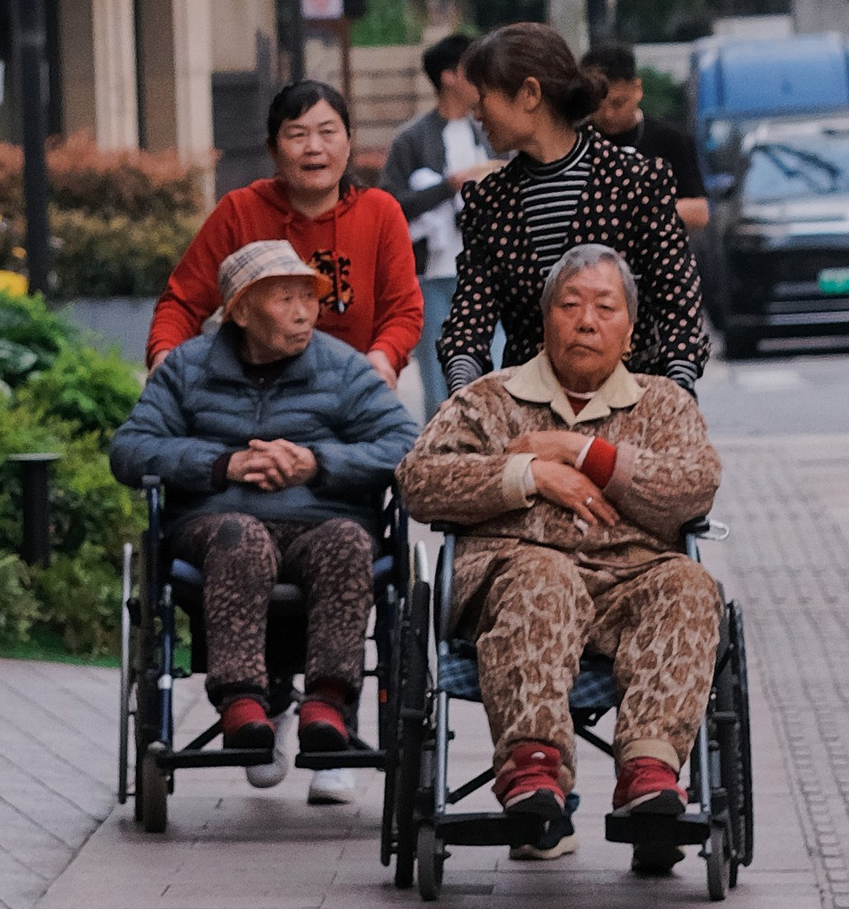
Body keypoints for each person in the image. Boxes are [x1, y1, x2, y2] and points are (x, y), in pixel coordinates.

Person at [398, 242, 722, 863]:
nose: (587, 320)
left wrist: (582, 454)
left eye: (606, 306)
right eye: (570, 305)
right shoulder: (488, 399)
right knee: (543, 573)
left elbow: (695, 484)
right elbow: (420, 479)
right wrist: (527, 475)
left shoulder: (663, 404)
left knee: (689, 584)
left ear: (630, 330)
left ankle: (649, 772)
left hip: (630, 580)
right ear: (546, 321)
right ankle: (534, 766)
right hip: (514, 581)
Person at [112, 235, 416, 806]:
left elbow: (408, 446)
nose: (305, 313)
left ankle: (328, 704)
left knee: (349, 543)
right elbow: (129, 450)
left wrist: (316, 464)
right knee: (241, 537)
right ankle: (243, 703)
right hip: (217, 523)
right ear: (242, 309)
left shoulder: (342, 369)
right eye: (285, 299)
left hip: (321, 519)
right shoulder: (186, 369)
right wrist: (220, 463)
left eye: (310, 297)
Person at [439, 22, 710, 399]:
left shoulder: (634, 183)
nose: (477, 114)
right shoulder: (490, 202)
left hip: (631, 403)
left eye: (484, 97)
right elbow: (470, 320)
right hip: (530, 408)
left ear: (529, 94)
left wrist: (677, 391)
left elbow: (678, 301)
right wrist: (462, 392)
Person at [148, 76, 424, 385]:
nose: (314, 147)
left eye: (328, 132)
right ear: (273, 150)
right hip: (255, 394)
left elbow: (403, 311)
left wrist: (383, 358)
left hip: (352, 391)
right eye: (297, 135)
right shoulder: (240, 211)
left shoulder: (380, 212)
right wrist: (164, 356)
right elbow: (183, 302)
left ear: (349, 142)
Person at [381, 29, 497, 394]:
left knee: (494, 379)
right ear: (449, 76)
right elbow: (391, 205)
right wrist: (448, 186)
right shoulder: (412, 138)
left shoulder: (492, 130)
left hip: (488, 271)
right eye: (472, 69)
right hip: (431, 274)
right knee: (439, 382)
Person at [580, 43, 710, 231]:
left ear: (637, 89)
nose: (608, 114)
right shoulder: (576, 141)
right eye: (597, 105)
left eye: (618, 103)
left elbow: (699, 212)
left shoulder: (670, 140)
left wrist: (638, 210)